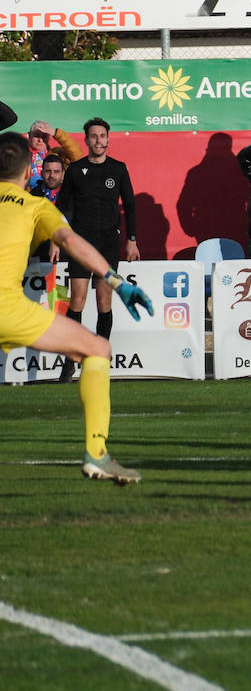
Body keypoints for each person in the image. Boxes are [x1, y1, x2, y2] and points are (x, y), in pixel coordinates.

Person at [0, 131, 152, 483]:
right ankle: (96, 454)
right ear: (28, 173)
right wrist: (114, 281)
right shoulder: (36, 205)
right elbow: (69, 240)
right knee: (97, 348)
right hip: (9, 309)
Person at [53, 118, 138, 384]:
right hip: (80, 243)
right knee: (76, 302)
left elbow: (131, 206)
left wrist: (132, 240)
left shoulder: (119, 169)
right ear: (87, 140)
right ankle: (69, 363)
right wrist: (56, 239)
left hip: (108, 244)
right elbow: (63, 207)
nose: (99, 140)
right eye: (94, 136)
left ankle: (100, 361)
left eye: (103, 136)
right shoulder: (76, 170)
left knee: (104, 302)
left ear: (108, 139)